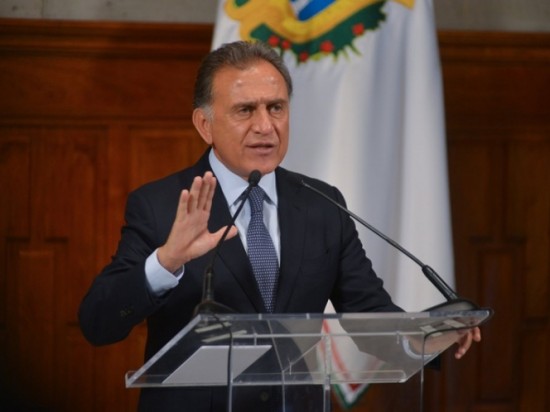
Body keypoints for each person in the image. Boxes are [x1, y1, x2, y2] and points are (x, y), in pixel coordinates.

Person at [79, 40, 480, 411]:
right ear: (205, 124)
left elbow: (371, 319)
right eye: (245, 110)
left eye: (276, 108)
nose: (265, 126)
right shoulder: (162, 205)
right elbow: (99, 322)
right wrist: (166, 262)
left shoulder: (322, 205)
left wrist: (431, 336)